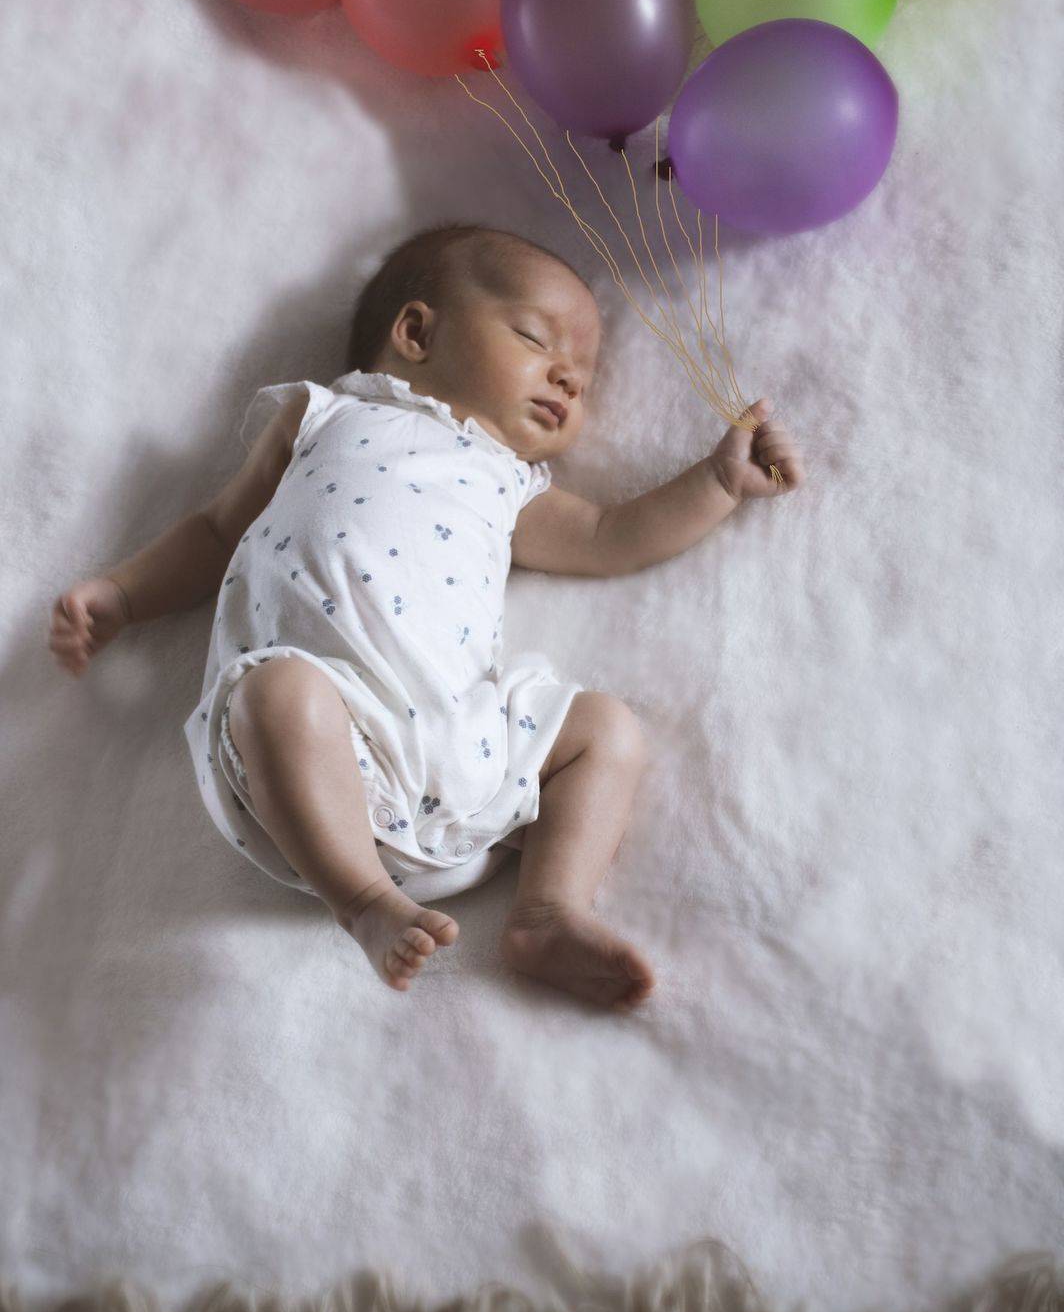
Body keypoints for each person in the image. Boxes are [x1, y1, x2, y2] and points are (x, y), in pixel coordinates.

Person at [47, 222, 805, 1013]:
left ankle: (548, 911)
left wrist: (719, 483)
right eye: (535, 339)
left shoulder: (507, 481)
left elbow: (608, 536)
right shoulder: (322, 417)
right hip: (318, 754)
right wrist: (124, 596)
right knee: (272, 691)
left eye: (582, 377)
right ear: (415, 333)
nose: (569, 378)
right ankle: (364, 903)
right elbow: (214, 531)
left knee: (605, 731)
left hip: (458, 753)